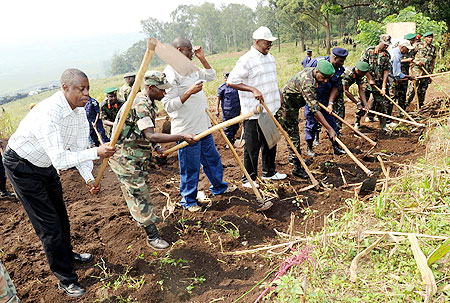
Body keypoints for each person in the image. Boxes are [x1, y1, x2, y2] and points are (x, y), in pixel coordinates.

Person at [2, 68, 116, 297]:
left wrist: (90, 178)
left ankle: (68, 254)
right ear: (65, 88)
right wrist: (98, 151)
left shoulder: (79, 112)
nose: (86, 94)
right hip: (22, 167)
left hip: (45, 165)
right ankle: (66, 279)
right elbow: (62, 160)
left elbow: (79, 148)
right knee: (49, 227)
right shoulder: (48, 113)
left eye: (87, 89)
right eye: (80, 89)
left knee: (61, 217)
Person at [109, 71, 196, 249]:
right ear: (151, 87)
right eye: (162, 90)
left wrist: (156, 148)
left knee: (142, 191)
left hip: (137, 155)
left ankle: (144, 222)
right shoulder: (140, 103)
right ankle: (152, 236)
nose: (164, 93)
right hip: (126, 159)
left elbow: (142, 132)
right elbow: (151, 135)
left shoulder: (147, 101)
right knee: (139, 194)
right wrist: (181, 136)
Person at [162, 37, 235, 213]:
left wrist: (202, 58)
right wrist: (189, 92)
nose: (192, 55)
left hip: (203, 126)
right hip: (186, 131)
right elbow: (167, 105)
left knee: (212, 160)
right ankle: (188, 200)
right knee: (190, 167)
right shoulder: (169, 73)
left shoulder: (190, 67)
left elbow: (211, 75)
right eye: (189, 51)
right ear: (180, 51)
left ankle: (219, 187)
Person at [227, 26, 287, 188]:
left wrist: (278, 96)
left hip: (269, 108)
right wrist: (252, 89)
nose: (269, 46)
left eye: (270, 43)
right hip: (253, 110)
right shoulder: (246, 60)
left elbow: (273, 80)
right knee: (252, 147)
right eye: (266, 43)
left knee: (271, 142)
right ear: (257, 41)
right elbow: (231, 81)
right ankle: (249, 178)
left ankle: (269, 172)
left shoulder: (270, 57)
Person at [278, 60, 337, 178]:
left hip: (293, 106)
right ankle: (297, 168)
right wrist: (330, 129)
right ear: (317, 71)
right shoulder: (308, 83)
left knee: (293, 135)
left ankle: (294, 157)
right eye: (324, 77)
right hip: (286, 107)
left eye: (327, 79)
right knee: (293, 137)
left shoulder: (312, 73)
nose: (325, 81)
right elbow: (315, 111)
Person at [304, 47, 348, 156]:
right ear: (334, 57)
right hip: (312, 98)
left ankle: (336, 147)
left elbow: (335, 87)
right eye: (340, 61)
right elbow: (306, 77)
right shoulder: (317, 62)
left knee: (332, 123)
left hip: (326, 99)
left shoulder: (340, 70)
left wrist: (330, 103)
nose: (342, 63)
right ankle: (309, 147)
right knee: (311, 123)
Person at [361, 34, 392, 132]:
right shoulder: (368, 51)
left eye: (387, 45)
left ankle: (383, 126)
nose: (386, 46)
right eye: (385, 44)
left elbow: (386, 72)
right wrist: (370, 78)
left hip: (378, 84)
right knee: (362, 102)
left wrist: (383, 87)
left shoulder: (386, 55)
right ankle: (357, 123)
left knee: (381, 104)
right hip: (366, 83)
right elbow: (362, 66)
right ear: (380, 41)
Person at [406, 32, 436, 108]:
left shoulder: (433, 48)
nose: (430, 39)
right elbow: (410, 56)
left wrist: (431, 73)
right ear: (424, 38)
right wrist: (415, 62)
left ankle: (419, 106)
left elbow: (433, 61)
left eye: (431, 37)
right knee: (412, 89)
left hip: (426, 72)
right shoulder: (418, 46)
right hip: (416, 71)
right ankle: (405, 104)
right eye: (428, 37)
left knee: (423, 90)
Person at [341, 61, 372, 130]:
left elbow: (361, 90)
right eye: (363, 73)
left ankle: (357, 123)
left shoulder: (360, 74)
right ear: (357, 70)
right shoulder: (348, 74)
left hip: (344, 88)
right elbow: (346, 91)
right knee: (340, 109)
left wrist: (365, 103)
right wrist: (357, 103)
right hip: (337, 88)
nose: (364, 75)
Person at [390, 40, 416, 114]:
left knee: (401, 94)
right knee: (392, 97)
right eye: (407, 49)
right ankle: (387, 118)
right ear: (402, 47)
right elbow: (396, 74)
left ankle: (400, 112)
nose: (408, 51)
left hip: (397, 78)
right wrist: (408, 77)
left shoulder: (396, 53)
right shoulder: (396, 56)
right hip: (392, 79)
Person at [216, 72, 241, 146]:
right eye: (225, 78)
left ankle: (233, 138)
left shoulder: (237, 86)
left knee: (236, 125)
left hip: (236, 109)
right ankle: (229, 141)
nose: (226, 79)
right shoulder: (222, 87)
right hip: (227, 111)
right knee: (228, 126)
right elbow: (218, 99)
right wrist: (217, 110)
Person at [395, 33, 418, 111]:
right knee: (394, 93)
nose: (412, 42)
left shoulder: (410, 50)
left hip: (405, 73)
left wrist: (411, 62)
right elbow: (395, 61)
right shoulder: (396, 50)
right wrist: (406, 60)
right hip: (397, 73)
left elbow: (411, 58)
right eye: (411, 40)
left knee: (403, 92)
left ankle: (401, 110)